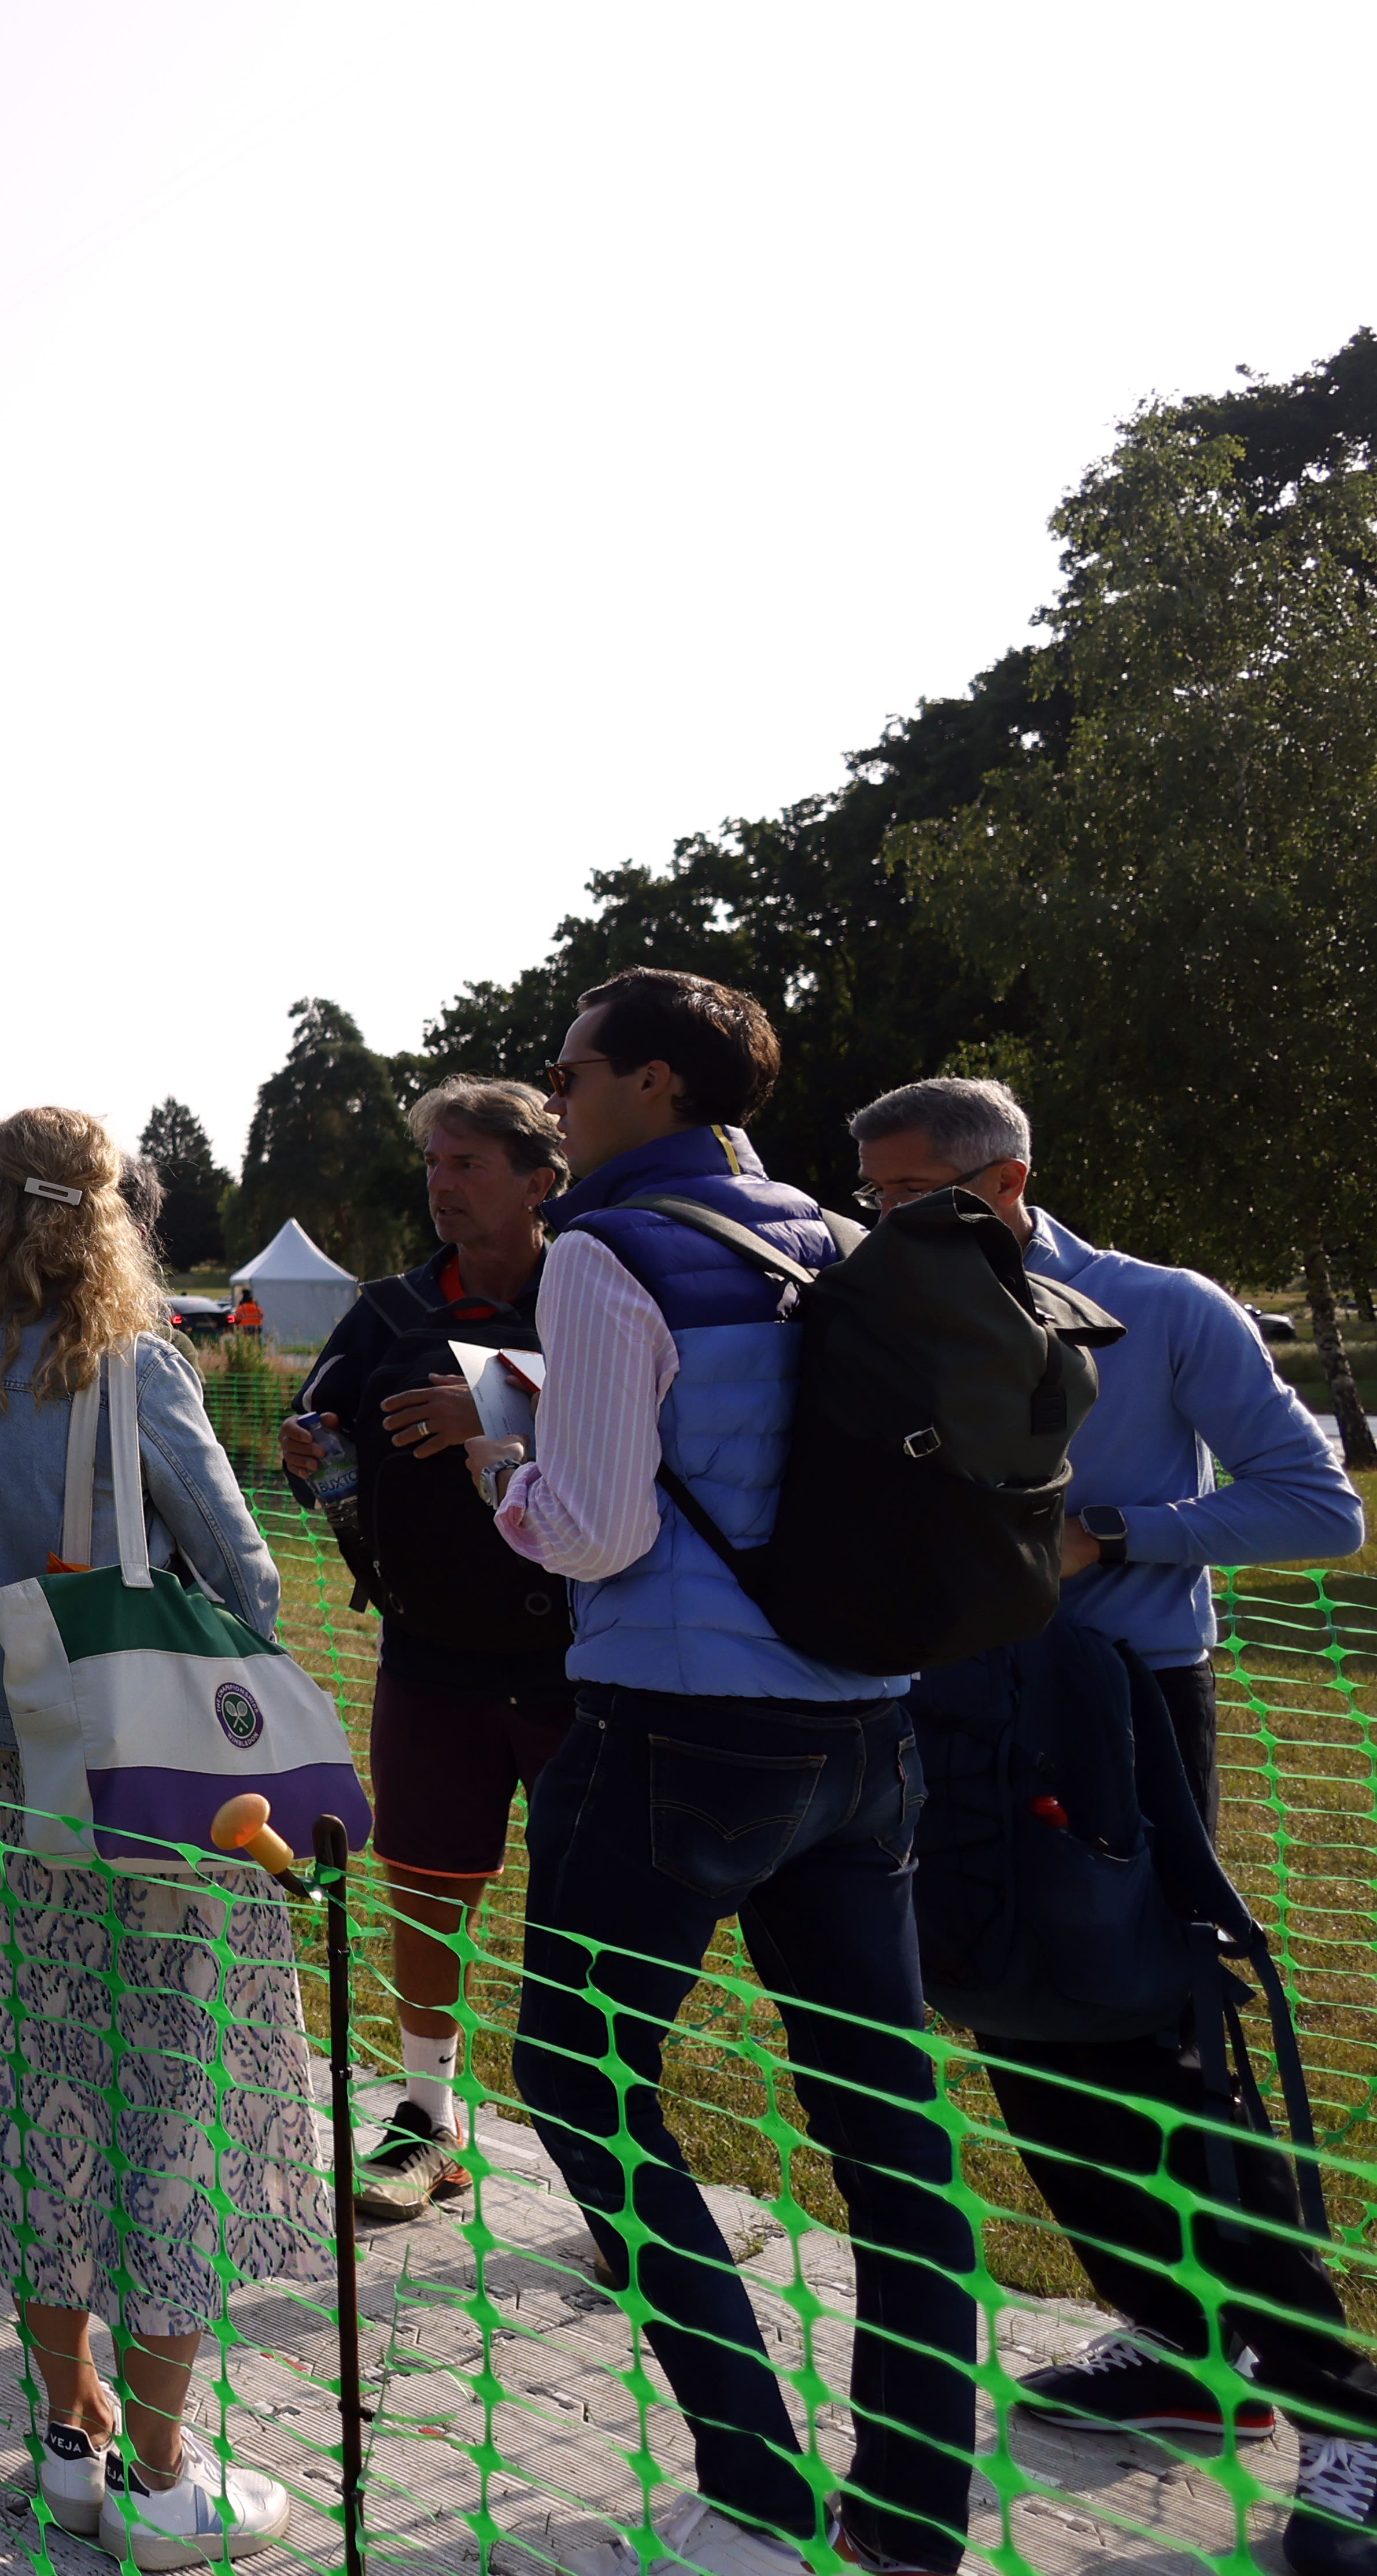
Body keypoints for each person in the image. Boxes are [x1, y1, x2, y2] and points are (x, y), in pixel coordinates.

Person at [846, 1077, 1377, 2564]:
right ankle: (1175, 2345)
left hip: (1121, 1711)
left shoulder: (1167, 1307)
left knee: (1157, 2050)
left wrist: (1116, 1532)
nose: (879, 1224)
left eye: (907, 1196)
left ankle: (1353, 2414)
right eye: (870, 1198)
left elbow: (1318, 1507)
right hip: (949, 1704)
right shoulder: (871, 1302)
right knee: (1014, 2023)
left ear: (1008, 1180)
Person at [483, 968, 971, 2576]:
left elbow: (603, 1525)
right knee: (887, 2124)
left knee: (577, 2075)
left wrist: (508, 1476)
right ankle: (906, 2520)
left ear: (657, 1086)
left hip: (676, 1728)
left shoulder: (607, 1248)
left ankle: (754, 2480)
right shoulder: (835, 1235)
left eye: (572, 1067)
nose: (553, 1091)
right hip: (865, 1727)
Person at [0, 1109, 316, 2563]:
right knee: (169, 2092)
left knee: (31, 2078)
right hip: (141, 1772)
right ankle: (160, 2465)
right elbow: (247, 1587)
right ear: (110, 1216)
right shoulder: (127, 1363)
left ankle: (63, 2436)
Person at [279, 1077, 574, 2226]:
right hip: (432, 1657)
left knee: (594, 1914)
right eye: (434, 1166)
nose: (443, 1187)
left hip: (584, 1663)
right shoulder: (389, 1309)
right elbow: (326, 1433)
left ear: (541, 1177)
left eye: (469, 1166)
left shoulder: (596, 1293)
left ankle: (616, 2157)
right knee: (427, 1892)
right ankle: (430, 2121)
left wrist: (495, 1413)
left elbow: (655, 1421)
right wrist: (312, 1454)